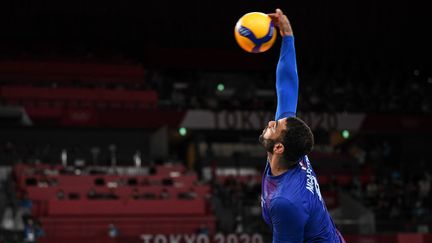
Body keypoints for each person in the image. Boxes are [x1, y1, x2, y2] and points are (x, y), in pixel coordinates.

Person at [258, 9, 345, 242]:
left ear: (278, 148)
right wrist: (287, 34)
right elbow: (287, 85)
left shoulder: (285, 202)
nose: (270, 122)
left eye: (274, 127)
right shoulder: (290, 152)